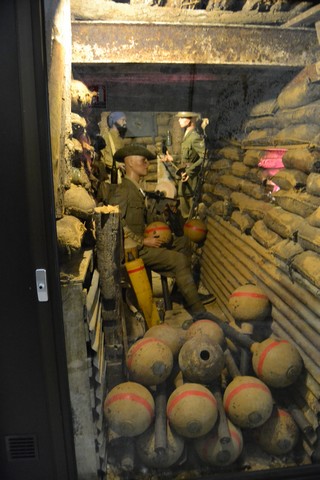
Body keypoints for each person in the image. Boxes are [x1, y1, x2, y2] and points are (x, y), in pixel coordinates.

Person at [108, 144, 214, 315]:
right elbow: (116, 223)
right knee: (179, 260)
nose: (147, 165)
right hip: (134, 249)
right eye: (143, 161)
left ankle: (182, 291)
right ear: (130, 163)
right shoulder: (123, 191)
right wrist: (144, 241)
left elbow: (143, 220)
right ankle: (199, 312)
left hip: (143, 242)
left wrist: (164, 216)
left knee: (183, 241)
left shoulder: (137, 190)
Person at [164, 111, 206, 218]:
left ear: (190, 120)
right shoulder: (187, 134)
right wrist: (173, 158)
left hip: (191, 178)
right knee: (184, 203)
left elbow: (204, 157)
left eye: (182, 118)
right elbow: (186, 156)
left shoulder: (195, 137)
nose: (179, 120)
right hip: (184, 176)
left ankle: (191, 229)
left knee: (190, 208)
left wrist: (189, 171)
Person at [101, 111, 127, 180]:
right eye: (123, 120)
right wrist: (118, 165)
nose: (125, 123)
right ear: (115, 120)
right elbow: (103, 158)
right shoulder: (106, 137)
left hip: (121, 176)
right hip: (109, 176)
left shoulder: (121, 140)